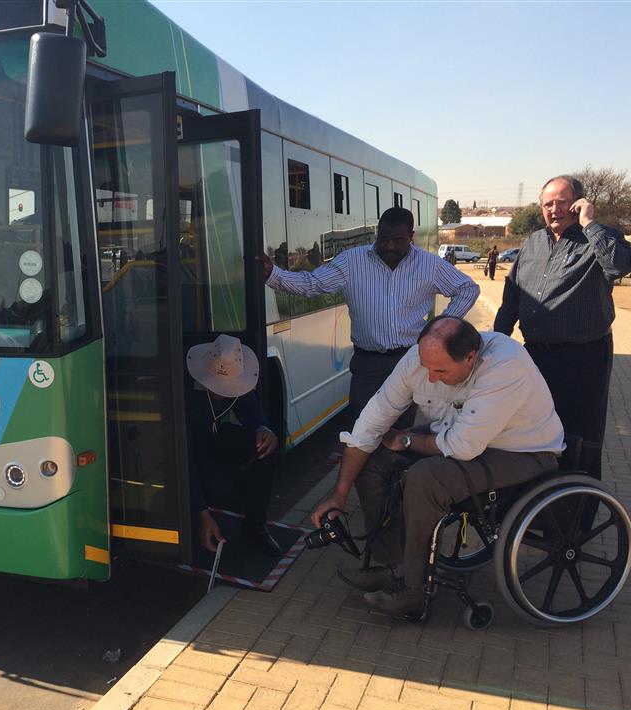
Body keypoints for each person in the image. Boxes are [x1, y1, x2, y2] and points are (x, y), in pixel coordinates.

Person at [310, 316, 563, 617]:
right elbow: (370, 423)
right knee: (375, 460)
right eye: (426, 366)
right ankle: (395, 566)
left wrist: (405, 442)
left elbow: (460, 447)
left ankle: (415, 592)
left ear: (470, 357)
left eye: (441, 371)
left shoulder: (505, 366)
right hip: (457, 436)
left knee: (425, 477)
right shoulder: (421, 358)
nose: (430, 377)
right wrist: (339, 494)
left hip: (523, 452)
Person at [262, 207, 480, 421]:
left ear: (411, 237)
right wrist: (273, 273)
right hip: (368, 365)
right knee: (364, 428)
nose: (389, 246)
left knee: (407, 429)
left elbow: (467, 288)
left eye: (398, 240)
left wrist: (440, 329)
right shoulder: (351, 261)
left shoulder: (429, 265)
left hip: (412, 361)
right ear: (378, 232)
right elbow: (312, 284)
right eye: (384, 238)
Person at [494, 175, 631, 479]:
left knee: (580, 435)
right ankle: (539, 503)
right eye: (548, 203)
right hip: (535, 355)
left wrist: (589, 224)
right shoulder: (533, 242)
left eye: (562, 202)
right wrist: (495, 343)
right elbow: (512, 298)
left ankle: (577, 512)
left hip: (583, 358)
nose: (554, 209)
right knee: (533, 428)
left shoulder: (600, 236)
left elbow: (619, 265)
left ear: (579, 204)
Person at [186, 334, 281, 557]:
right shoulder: (186, 394)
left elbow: (249, 406)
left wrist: (263, 429)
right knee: (215, 490)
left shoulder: (236, 377)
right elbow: (185, 457)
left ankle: (255, 527)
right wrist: (202, 512)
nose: (224, 391)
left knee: (266, 449)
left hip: (216, 439)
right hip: (191, 450)